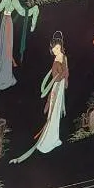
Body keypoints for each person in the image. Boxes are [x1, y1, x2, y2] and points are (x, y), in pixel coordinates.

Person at [10, 31, 69, 163]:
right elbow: (56, 76)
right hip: (56, 88)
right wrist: (60, 77)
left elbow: (66, 72)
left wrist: (65, 80)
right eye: (53, 49)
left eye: (57, 48)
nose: (55, 51)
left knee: (56, 114)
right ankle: (48, 140)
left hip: (60, 88)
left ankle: (55, 138)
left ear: (61, 47)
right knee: (52, 114)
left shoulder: (64, 57)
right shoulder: (56, 61)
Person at [0, 0, 39, 90]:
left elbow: (22, 12)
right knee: (2, 50)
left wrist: (33, 11)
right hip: (4, 22)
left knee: (6, 52)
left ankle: (5, 79)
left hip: (8, 25)